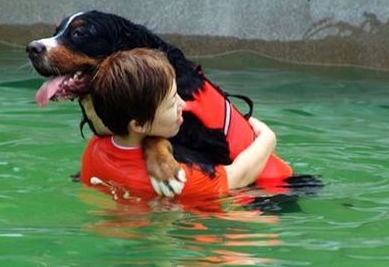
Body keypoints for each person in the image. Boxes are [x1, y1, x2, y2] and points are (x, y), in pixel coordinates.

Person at [80, 48, 277, 200]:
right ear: (138, 125)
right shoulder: (180, 180)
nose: (184, 105)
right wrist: (268, 138)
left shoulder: (94, 149)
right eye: (172, 101)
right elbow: (239, 176)